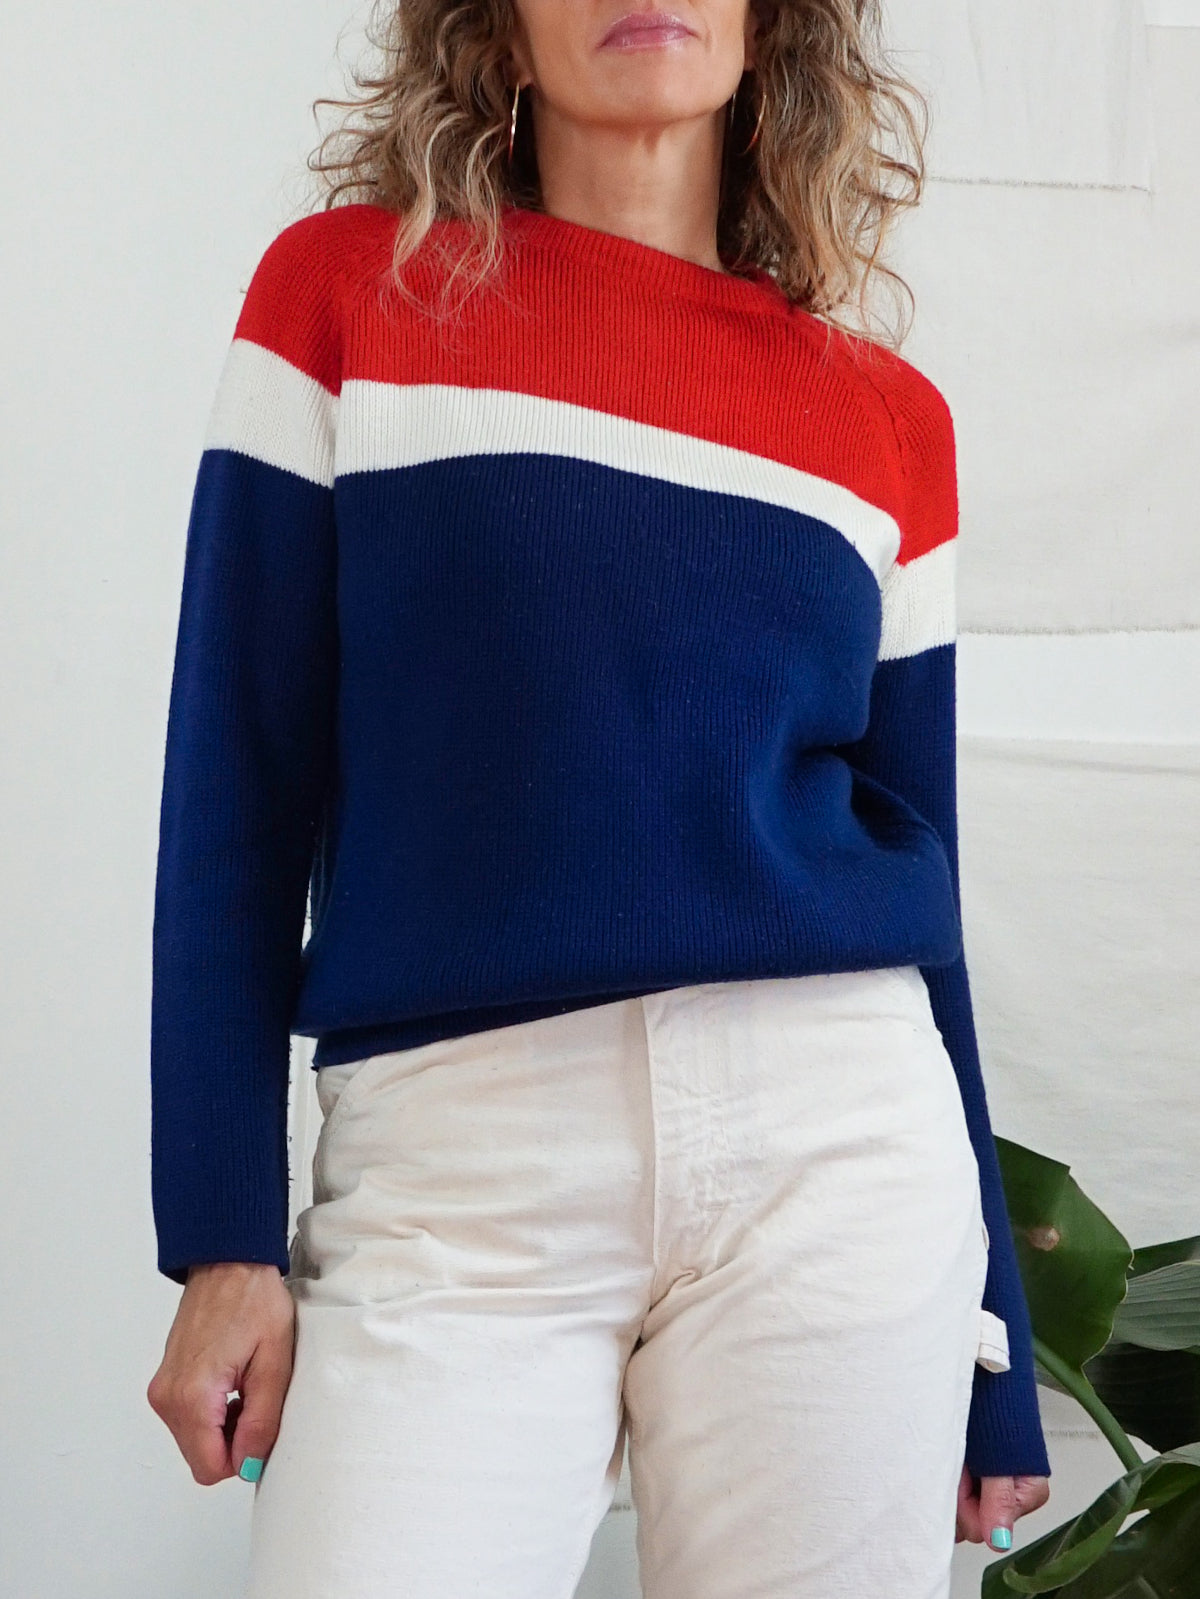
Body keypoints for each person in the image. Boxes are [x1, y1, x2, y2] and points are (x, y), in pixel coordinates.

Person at [145, 0, 1053, 1592]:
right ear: (498, 32)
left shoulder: (887, 421)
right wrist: (222, 1233)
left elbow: (924, 880)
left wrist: (1002, 1349)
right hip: (459, 1161)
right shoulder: (347, 294)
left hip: (836, 1139)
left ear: (772, 31)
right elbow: (238, 784)